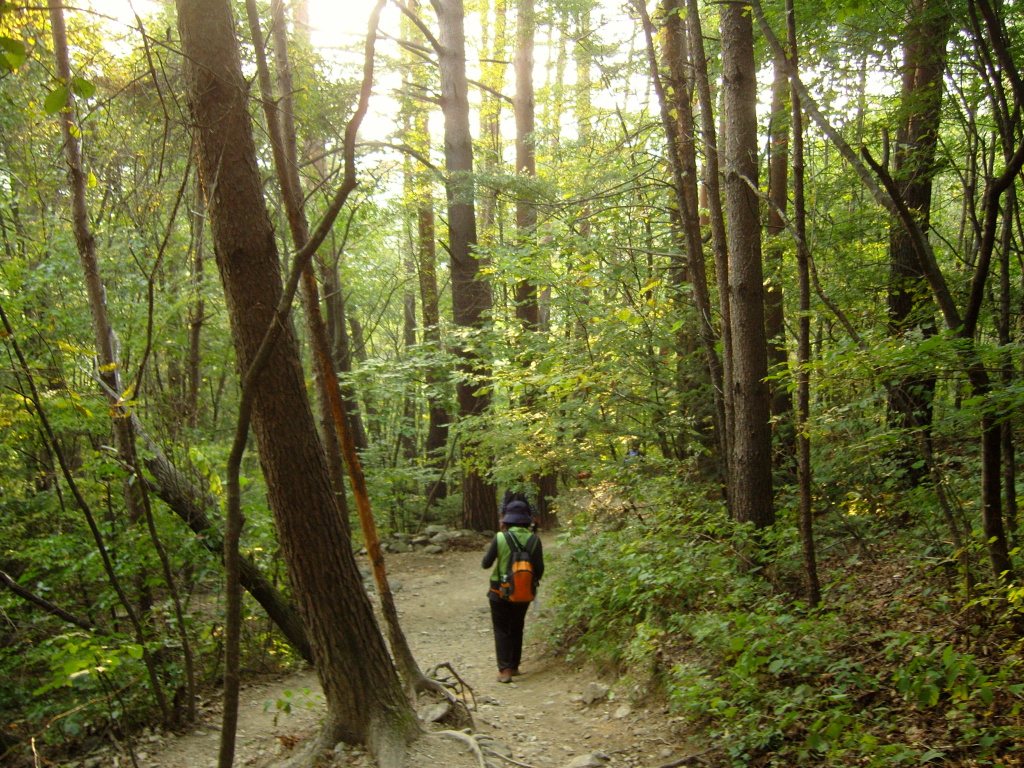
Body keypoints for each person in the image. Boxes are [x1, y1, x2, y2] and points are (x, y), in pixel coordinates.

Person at [481, 500, 544, 683]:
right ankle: (515, 666)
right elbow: (539, 570)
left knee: (501, 630)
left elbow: (486, 564)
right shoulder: (534, 540)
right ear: (526, 520)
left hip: (498, 590)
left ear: (507, 519)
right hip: (523, 592)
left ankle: (505, 670)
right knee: (517, 627)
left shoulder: (500, 538)